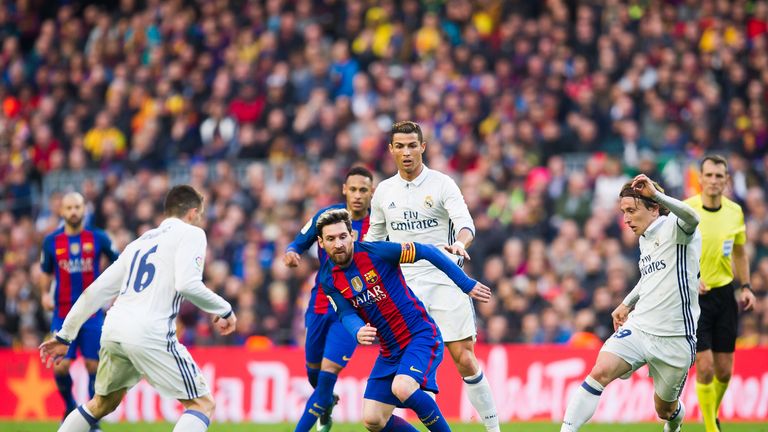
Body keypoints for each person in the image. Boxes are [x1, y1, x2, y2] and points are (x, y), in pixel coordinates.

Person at [39, 185, 237, 432]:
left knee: (101, 403)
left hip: (113, 328)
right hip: (149, 330)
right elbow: (187, 284)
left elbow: (95, 291)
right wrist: (225, 309)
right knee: (202, 404)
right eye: (199, 215)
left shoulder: (139, 243)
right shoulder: (192, 234)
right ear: (193, 212)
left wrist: (64, 335)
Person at [364, 120, 499, 432]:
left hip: (444, 280)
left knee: (464, 358)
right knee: (411, 373)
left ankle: (493, 430)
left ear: (422, 147)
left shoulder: (442, 184)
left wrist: (460, 244)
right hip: (404, 291)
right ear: (391, 150)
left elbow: (465, 223)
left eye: (413, 145)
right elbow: (373, 241)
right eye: (400, 146)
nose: (407, 152)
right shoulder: (384, 191)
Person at [315, 208, 492, 432]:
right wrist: (357, 329)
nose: (338, 243)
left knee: (403, 387)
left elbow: (427, 251)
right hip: (390, 350)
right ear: (321, 242)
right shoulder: (328, 278)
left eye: (342, 236)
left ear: (352, 235)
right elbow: (345, 312)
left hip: (420, 335)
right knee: (373, 419)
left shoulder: (377, 253)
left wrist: (465, 284)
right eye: (331, 239)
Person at [560, 174, 702, 432]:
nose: (625, 219)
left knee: (665, 409)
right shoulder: (644, 239)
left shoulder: (676, 229)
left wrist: (656, 193)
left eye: (631, 211)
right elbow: (650, 278)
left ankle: (676, 420)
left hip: (675, 337)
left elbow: (694, 217)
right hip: (641, 326)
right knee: (601, 370)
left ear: (653, 208)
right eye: (623, 212)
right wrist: (626, 303)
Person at [285, 166, 374, 432]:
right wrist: (292, 252)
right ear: (344, 189)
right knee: (314, 373)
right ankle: (326, 402)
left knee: (325, 378)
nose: (357, 195)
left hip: (351, 311)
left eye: (363, 190)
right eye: (353, 189)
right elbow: (299, 241)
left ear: (372, 193)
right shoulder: (327, 216)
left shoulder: (379, 224)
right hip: (320, 305)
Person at [684, 155, 756, 432]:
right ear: (700, 178)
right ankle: (711, 428)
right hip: (695, 298)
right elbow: (674, 251)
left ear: (727, 181)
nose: (714, 180)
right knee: (705, 367)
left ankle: (710, 413)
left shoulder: (734, 212)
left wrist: (746, 286)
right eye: (709, 175)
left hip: (725, 295)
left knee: (724, 370)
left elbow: (739, 251)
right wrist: (692, 278)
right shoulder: (687, 210)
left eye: (719, 176)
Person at [40, 192, 120, 431]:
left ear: (84, 209)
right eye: (69, 208)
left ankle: (90, 419)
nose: (73, 211)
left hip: (92, 313)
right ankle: (69, 407)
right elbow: (45, 272)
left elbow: (119, 263)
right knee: (61, 365)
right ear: (61, 212)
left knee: (93, 365)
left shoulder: (98, 238)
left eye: (77, 207)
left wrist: (115, 293)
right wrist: (45, 293)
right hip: (62, 312)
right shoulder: (51, 241)